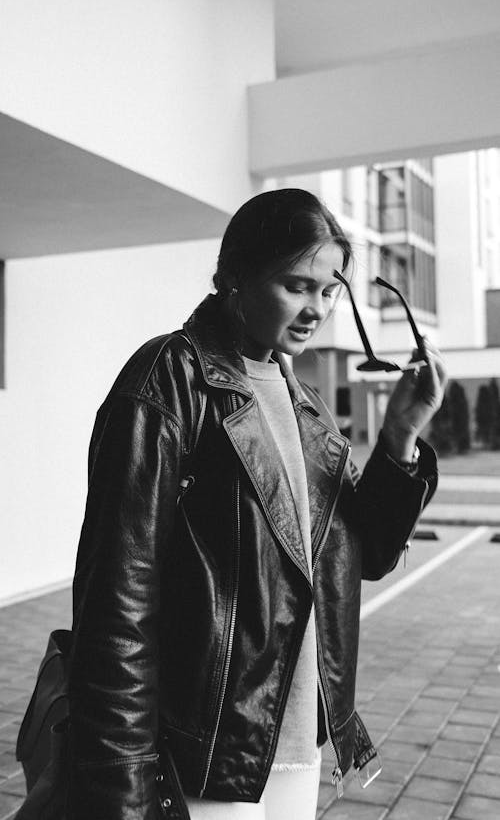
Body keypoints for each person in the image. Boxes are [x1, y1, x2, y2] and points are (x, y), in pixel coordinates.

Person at [66, 189, 446, 820]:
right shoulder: (167, 380)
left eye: (329, 291)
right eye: (297, 285)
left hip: (290, 743)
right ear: (236, 276)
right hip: (199, 752)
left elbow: (363, 558)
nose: (315, 309)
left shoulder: (307, 407)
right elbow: (117, 604)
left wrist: (401, 435)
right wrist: (121, 777)